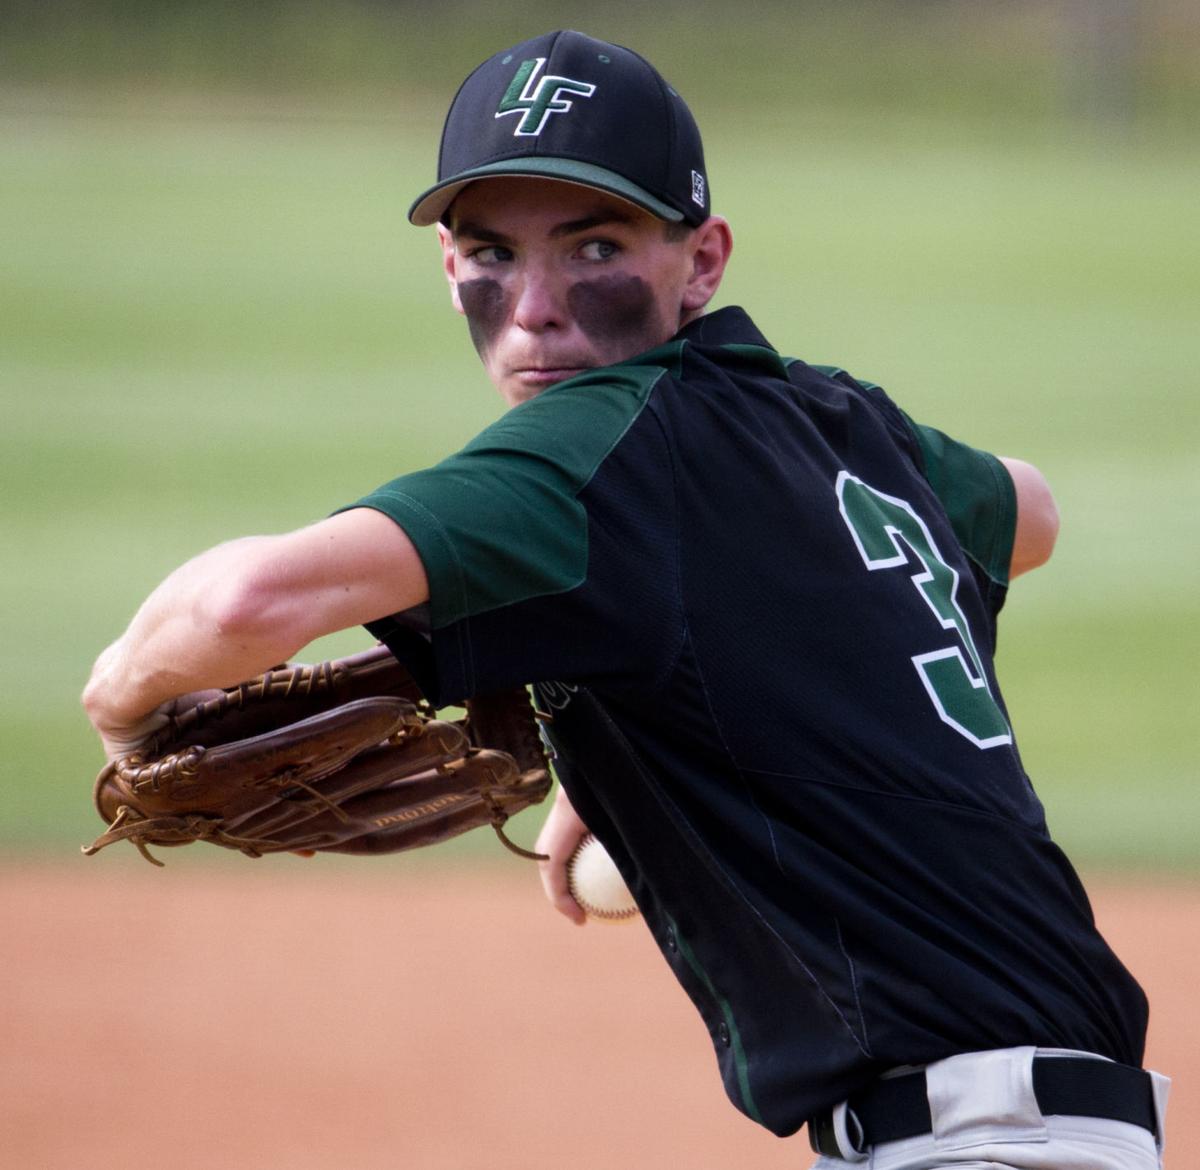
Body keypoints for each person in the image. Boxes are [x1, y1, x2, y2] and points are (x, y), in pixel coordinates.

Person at [83, 29, 1169, 1169]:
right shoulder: (837, 416)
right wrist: (691, 715)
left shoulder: (591, 452)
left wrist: (121, 700)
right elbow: (1029, 510)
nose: (536, 306)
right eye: (491, 253)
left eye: (595, 246)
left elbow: (245, 602)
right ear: (446, 267)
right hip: (1055, 1130)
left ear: (700, 262)